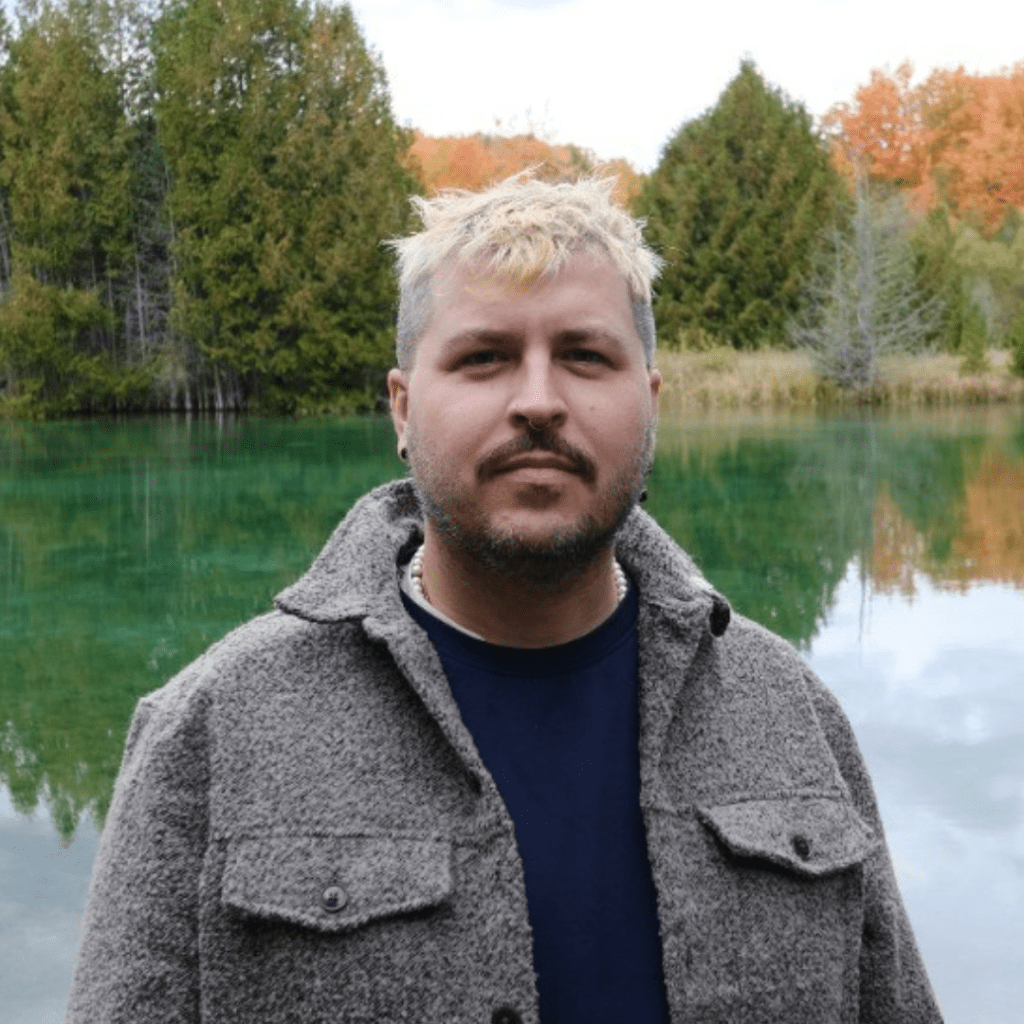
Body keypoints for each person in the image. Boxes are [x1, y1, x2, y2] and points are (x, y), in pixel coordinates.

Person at [67, 176, 943, 1024]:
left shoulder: (792, 712)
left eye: (585, 356)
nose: (538, 402)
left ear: (650, 401)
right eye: (484, 358)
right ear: (403, 409)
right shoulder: (211, 729)